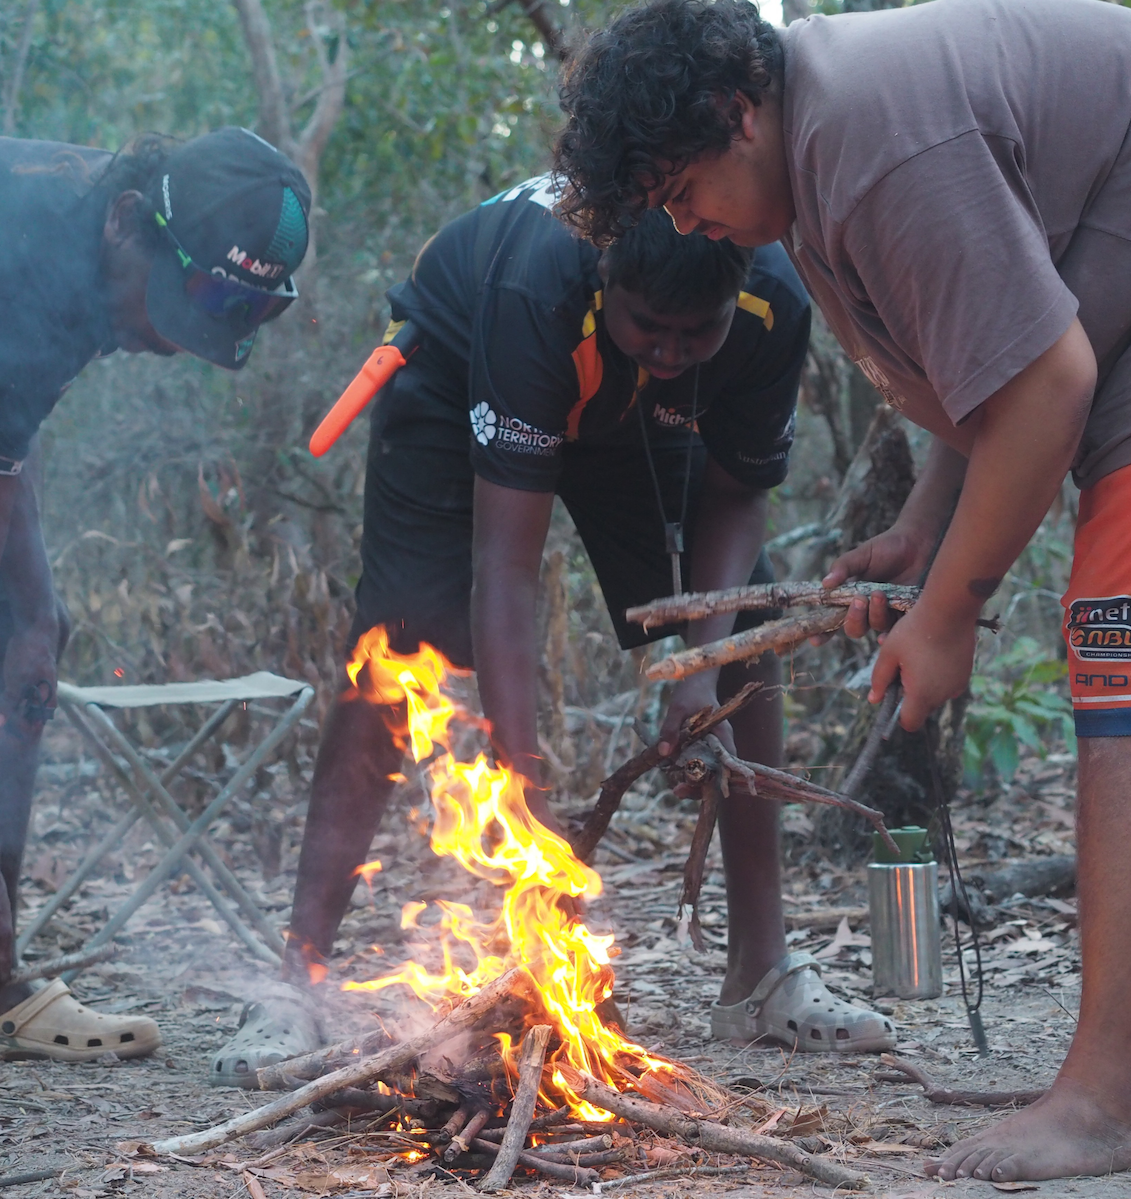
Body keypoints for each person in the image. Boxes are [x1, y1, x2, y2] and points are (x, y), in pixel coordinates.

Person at [551, 0, 1131, 1184]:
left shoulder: (868, 138)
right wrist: (921, 531)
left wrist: (950, 607)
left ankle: (1102, 1098)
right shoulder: (813, 175)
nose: (681, 222)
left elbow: (1044, 381)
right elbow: (999, 349)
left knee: (1116, 714)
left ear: (738, 112)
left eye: (677, 187)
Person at [210, 173, 901, 1085]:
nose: (670, 350)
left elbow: (736, 496)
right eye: (650, 325)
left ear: (732, 294)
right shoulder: (538, 287)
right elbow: (506, 571)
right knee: (400, 644)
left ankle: (761, 974)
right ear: (607, 280)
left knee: (748, 629)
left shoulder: (770, 295)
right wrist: (522, 794)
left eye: (696, 331)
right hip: (462, 366)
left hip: (629, 420)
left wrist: (698, 669)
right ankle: (295, 981)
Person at [0, 127, 311, 1062]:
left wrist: (37, 607)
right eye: (182, 305)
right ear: (128, 226)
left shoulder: (95, 251)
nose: (177, 343)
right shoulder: (17, 267)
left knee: (18, 650)